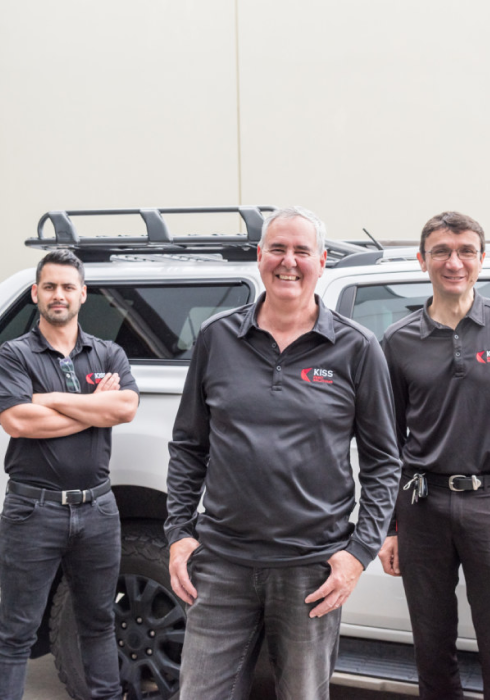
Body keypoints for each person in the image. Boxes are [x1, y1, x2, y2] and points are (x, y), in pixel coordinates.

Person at [165, 206, 401, 700]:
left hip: (310, 570)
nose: (288, 262)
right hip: (222, 562)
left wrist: (357, 554)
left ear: (323, 260)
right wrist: (178, 533)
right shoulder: (217, 338)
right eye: (277, 249)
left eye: (301, 251)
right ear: (259, 257)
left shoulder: (357, 349)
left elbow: (383, 462)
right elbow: (190, 444)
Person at [377, 211, 490, 700]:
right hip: (422, 507)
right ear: (422, 260)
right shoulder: (397, 341)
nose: (454, 262)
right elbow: (388, 444)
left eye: (465, 251)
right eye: (441, 252)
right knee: (432, 649)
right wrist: (391, 526)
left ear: (481, 258)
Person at [0, 249, 139, 700]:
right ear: (36, 293)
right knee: (17, 630)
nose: (59, 295)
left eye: (68, 287)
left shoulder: (108, 352)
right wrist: (98, 411)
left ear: (83, 295)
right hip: (32, 512)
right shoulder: (14, 355)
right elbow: (18, 422)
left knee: (98, 622)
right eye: (50, 286)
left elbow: (126, 407)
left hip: (98, 510)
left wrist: (47, 399)